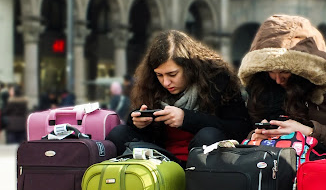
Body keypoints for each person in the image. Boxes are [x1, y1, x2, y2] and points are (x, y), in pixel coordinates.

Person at [106, 30, 251, 166]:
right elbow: (149, 136)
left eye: (172, 74)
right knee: (118, 133)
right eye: (159, 75)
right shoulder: (150, 86)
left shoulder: (218, 80)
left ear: (189, 67)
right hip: (162, 158)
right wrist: (138, 122)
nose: (165, 82)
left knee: (209, 135)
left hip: (200, 163)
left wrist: (186, 119)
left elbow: (240, 129)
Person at [238, 14, 326, 158]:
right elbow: (249, 130)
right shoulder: (261, 82)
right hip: (272, 163)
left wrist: (308, 131)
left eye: (284, 71)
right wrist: (258, 135)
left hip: (325, 167)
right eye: (270, 71)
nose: (277, 80)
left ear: (303, 69)